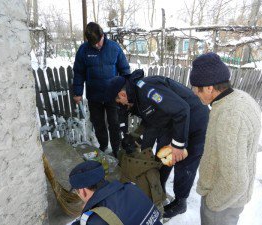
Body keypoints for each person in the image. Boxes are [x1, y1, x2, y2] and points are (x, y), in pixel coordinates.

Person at [104, 69, 209, 219]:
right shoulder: (135, 96)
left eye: (118, 101)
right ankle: (158, 191)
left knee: (184, 163)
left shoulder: (147, 89)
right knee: (161, 158)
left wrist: (178, 145)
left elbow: (181, 110)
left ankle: (180, 202)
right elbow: (151, 121)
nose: (120, 104)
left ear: (122, 94)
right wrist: (132, 138)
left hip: (195, 121)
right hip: (173, 122)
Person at [189, 52, 261, 225]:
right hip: (228, 198)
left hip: (222, 204)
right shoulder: (240, 98)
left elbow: (235, 182)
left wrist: (212, 203)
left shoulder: (230, 115)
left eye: (196, 89)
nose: (195, 94)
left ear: (209, 88)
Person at [73, 22, 130, 157]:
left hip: (113, 96)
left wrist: (124, 90)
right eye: (94, 44)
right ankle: (103, 146)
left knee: (114, 124)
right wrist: (78, 92)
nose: (98, 45)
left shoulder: (114, 48)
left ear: (103, 35)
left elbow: (125, 71)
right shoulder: (83, 50)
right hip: (94, 95)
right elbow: (79, 72)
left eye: (99, 41)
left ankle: (116, 150)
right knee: (98, 124)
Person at [68, 160, 162, 225]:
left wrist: (86, 214)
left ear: (83, 191)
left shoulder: (95, 219)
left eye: (77, 192)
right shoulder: (131, 187)